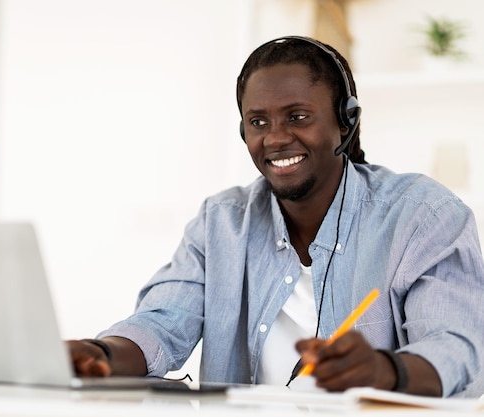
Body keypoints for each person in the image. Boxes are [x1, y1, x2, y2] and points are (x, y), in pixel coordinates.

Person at [66, 36, 484, 398]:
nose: (276, 138)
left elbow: (457, 347)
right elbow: (161, 324)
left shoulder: (423, 215)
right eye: (258, 122)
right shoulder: (221, 222)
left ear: (346, 122)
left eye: (297, 117)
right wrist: (99, 354)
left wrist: (386, 371)